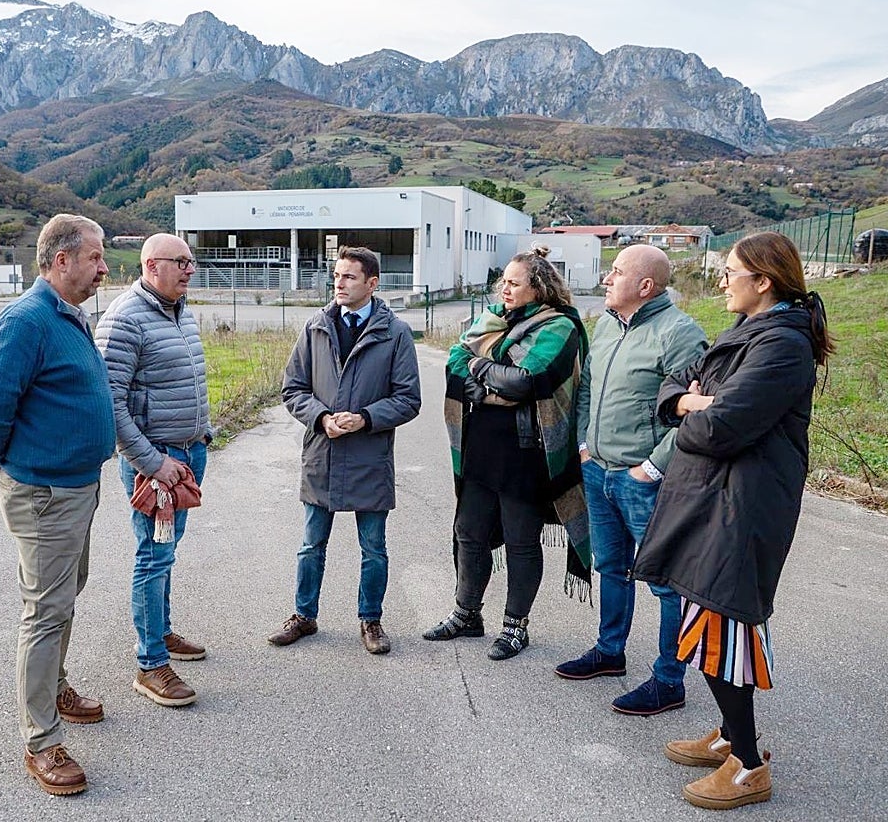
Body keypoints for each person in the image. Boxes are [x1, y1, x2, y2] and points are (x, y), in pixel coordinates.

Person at [633, 232, 834, 810]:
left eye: (730, 271)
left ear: (763, 281)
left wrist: (695, 407)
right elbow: (672, 390)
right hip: (713, 499)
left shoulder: (783, 346)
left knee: (724, 631)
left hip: (741, 508)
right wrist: (688, 401)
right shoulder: (748, 333)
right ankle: (728, 735)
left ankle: (748, 765)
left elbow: (722, 429)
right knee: (708, 621)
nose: (722, 280)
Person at [0, 214, 114, 796]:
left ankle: (54, 687)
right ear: (61, 261)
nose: (104, 267)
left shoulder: (67, 316)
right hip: (46, 494)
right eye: (96, 257)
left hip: (76, 488)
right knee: (45, 609)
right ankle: (41, 739)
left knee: (65, 594)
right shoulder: (26, 320)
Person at [554, 245, 708, 716]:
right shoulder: (604, 325)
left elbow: (693, 411)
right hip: (599, 471)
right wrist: (583, 446)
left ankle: (668, 680)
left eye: (616, 272)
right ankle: (609, 652)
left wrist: (653, 467)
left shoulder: (680, 334)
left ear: (645, 285)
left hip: (644, 480)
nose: (606, 278)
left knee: (665, 583)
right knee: (610, 568)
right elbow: (587, 392)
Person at [424, 245, 590, 659]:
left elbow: (529, 381)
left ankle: (516, 626)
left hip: (526, 452)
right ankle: (467, 614)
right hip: (479, 446)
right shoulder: (492, 319)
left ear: (539, 287)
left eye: (514, 283)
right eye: (504, 281)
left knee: (520, 540)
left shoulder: (560, 326)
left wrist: (481, 368)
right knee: (469, 532)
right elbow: (454, 364)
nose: (505, 289)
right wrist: (489, 373)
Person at [270, 245, 421, 654]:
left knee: (373, 547)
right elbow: (293, 388)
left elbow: (409, 398)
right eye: (337, 275)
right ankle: (304, 615)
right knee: (310, 544)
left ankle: (371, 621)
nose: (339, 282)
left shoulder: (396, 333)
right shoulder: (315, 326)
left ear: (372, 283)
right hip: (322, 453)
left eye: (349, 276)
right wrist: (321, 417)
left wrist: (365, 418)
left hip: (369, 457)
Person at [95, 233, 213, 708]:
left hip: (187, 453)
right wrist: (153, 462)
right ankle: (150, 664)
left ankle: (161, 633)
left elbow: (189, 379)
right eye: (180, 262)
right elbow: (111, 402)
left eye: (191, 261)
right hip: (157, 461)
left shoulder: (180, 310)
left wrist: (204, 430)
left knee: (167, 549)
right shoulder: (125, 318)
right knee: (153, 554)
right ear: (150, 266)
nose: (189, 269)